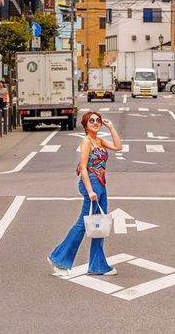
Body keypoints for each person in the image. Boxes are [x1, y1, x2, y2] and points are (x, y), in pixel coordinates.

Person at [48, 111, 122, 278]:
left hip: (101, 184)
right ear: (85, 125)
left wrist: (110, 127)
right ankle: (59, 258)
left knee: (99, 225)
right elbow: (83, 168)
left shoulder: (99, 140)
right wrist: (90, 191)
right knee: (83, 224)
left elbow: (118, 147)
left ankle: (97, 265)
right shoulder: (87, 142)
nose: (95, 123)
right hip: (92, 185)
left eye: (98, 120)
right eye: (91, 121)